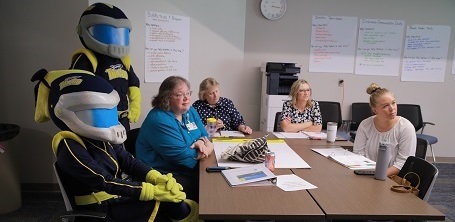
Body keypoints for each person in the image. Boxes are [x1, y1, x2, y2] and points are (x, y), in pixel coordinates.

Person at [31, 69, 200, 221]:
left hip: (116, 196)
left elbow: (129, 161)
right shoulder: (69, 146)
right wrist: (148, 190)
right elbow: (104, 180)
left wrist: (155, 176)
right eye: (99, 111)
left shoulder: (98, 136)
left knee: (175, 199)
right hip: (102, 208)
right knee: (170, 202)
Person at [136, 76, 214, 202]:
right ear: (166, 98)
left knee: (216, 178)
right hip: (164, 176)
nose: (186, 98)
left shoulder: (189, 111)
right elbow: (183, 158)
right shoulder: (159, 120)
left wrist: (200, 142)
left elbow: (205, 134)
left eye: (188, 93)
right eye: (180, 95)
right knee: (210, 189)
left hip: (190, 168)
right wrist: (208, 148)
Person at [70, 2, 141, 131]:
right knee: (104, 151)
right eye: (106, 32)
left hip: (123, 119)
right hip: (99, 122)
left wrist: (135, 106)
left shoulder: (124, 61)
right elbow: (77, 92)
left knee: (123, 150)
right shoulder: (87, 59)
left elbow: (133, 84)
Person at [353, 83, 416, 176]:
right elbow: (358, 155)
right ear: (375, 110)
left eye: (393, 103)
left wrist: (379, 174)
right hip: (367, 174)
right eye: (385, 106)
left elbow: (403, 163)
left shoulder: (405, 127)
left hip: (392, 178)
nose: (392, 109)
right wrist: (367, 173)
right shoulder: (365, 125)